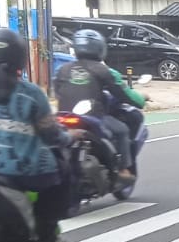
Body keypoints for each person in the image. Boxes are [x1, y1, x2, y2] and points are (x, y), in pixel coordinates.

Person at [0, 27, 80, 242]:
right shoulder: (32, 94)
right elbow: (51, 134)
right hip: (19, 170)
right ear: (20, 58)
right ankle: (47, 231)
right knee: (61, 171)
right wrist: (68, 137)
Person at [55, 29, 136, 181]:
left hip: (63, 116)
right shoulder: (102, 70)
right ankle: (123, 170)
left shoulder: (63, 69)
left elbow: (57, 91)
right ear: (99, 48)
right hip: (92, 117)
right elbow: (120, 93)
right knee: (122, 130)